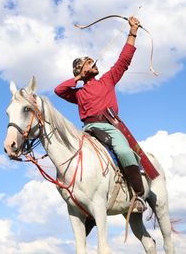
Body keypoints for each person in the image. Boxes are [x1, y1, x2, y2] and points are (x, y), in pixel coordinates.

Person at [54, 16, 146, 213]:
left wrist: (133, 32)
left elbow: (124, 60)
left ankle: (138, 195)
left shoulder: (107, 80)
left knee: (122, 151)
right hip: (88, 130)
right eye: (88, 62)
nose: (93, 62)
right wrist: (78, 77)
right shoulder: (78, 94)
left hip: (109, 127)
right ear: (80, 70)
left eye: (91, 60)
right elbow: (59, 90)